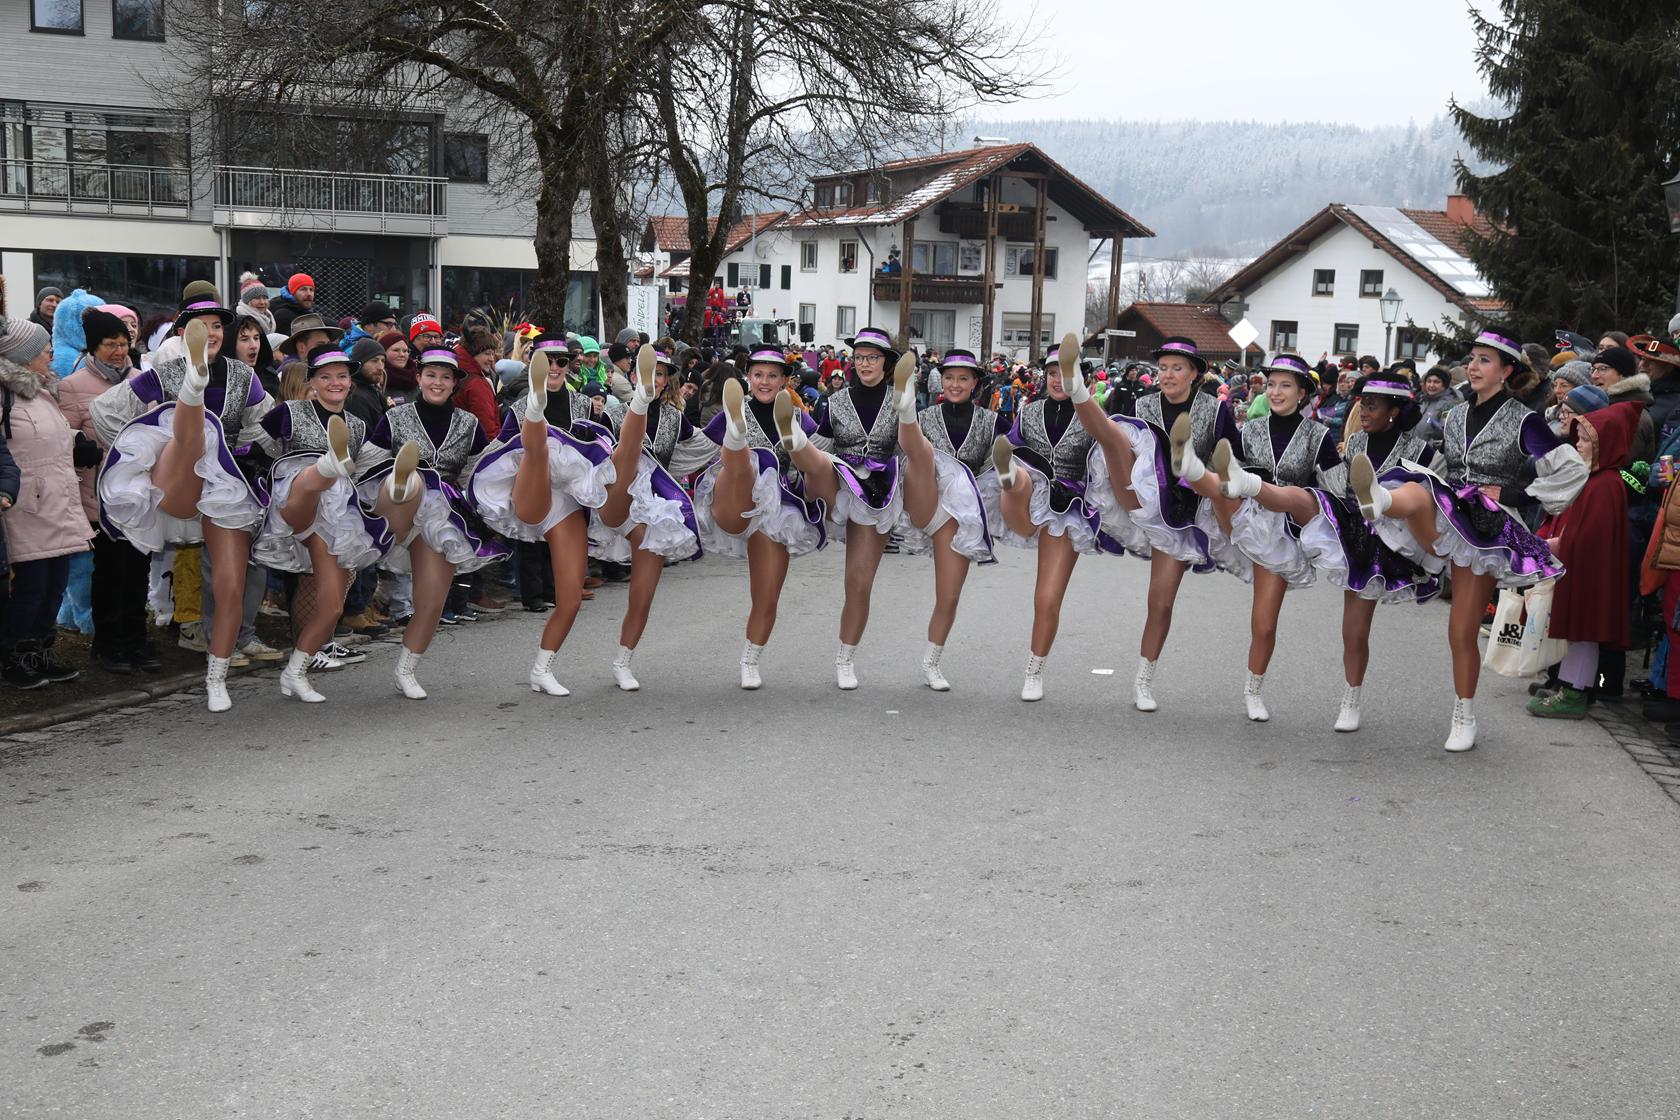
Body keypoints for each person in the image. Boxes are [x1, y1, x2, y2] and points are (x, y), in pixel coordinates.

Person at [1350, 326, 1588, 752]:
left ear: (1506, 370)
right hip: (1448, 511)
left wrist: (1514, 495)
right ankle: (1381, 499)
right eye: (1472, 359)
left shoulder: (1524, 419)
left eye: (1484, 360)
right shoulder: (1455, 415)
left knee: (1460, 631)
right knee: (1418, 488)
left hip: (1486, 530)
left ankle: (1465, 716)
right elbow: (1441, 466)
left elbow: (1570, 469)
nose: (1473, 367)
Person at [1212, 364, 1440, 730]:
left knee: (1355, 632)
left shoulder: (1413, 449)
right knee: (1264, 622)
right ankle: (1253, 691)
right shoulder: (1352, 443)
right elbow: (1340, 489)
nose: (1362, 412)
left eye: (1372, 405)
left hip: (1372, 539)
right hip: (1279, 529)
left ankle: (1351, 702)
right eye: (1271, 385)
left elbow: (1435, 494)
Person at [92, 298, 274, 711]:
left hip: (224, 490)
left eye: (217, 326)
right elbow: (104, 409)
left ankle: (216, 677)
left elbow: (266, 426)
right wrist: (140, 450)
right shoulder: (164, 372)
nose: (211, 332)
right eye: (201, 326)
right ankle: (193, 390)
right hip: (176, 477)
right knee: (189, 434)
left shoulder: (243, 376)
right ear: (182, 334)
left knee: (230, 586)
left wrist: (246, 451)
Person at [989, 336, 1141, 701]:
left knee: (1046, 597)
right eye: (1053, 373)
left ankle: (1034, 671)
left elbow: (1109, 457)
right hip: (1026, 498)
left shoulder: (1092, 416)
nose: (1059, 380)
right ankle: (1008, 474)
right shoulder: (1028, 412)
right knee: (1019, 477)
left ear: (1082, 378)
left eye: (1067, 373)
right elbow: (1014, 442)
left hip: (1067, 508)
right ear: (1045, 376)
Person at [1094, 337, 1242, 711]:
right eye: (1163, 368)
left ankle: (1189, 464)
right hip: (1149, 501)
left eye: (1177, 368)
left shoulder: (1215, 409)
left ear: (1194, 374)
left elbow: (1236, 458)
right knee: (1158, 602)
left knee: (1163, 601)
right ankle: (1142, 682)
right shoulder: (1142, 405)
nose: (1168, 374)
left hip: (1192, 509)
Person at [465, 338, 616, 697]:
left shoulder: (583, 404)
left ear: (569, 364)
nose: (555, 367)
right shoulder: (514, 408)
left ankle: (541, 670)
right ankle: (538, 411)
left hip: (566, 504)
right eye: (547, 361)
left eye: (562, 361)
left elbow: (603, 448)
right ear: (534, 364)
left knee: (571, 598)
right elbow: (498, 449)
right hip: (530, 491)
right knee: (537, 451)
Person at [772, 326, 913, 690]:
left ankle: (845, 658)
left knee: (858, 583)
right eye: (859, 357)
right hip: (834, 482)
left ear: (886, 362)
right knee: (818, 460)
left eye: (872, 357)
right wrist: (789, 473)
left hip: (877, 494)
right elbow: (822, 443)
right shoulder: (834, 402)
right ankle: (792, 438)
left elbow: (908, 452)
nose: (864, 363)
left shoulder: (899, 402)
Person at [359, 349, 504, 699]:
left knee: (432, 601)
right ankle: (401, 487)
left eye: (445, 377)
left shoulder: (468, 424)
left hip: (441, 517)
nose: (437, 383)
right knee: (409, 483)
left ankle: (406, 670)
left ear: (454, 384)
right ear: (419, 378)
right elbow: (366, 464)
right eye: (431, 375)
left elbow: (476, 474)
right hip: (394, 505)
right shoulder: (395, 418)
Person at [252, 349, 389, 702]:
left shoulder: (357, 426)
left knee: (332, 607)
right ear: (311, 382)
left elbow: (366, 470)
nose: (335, 383)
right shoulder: (289, 412)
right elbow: (255, 448)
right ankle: (328, 464)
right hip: (292, 502)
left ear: (350, 383)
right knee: (307, 480)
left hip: (330, 519)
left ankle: (295, 672)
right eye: (325, 376)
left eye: (341, 376)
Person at [693, 348, 827, 688]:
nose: (764, 382)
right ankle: (736, 436)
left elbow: (825, 450)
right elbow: (694, 449)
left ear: (784, 381)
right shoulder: (732, 411)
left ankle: (750, 660)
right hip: (734, 500)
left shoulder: (798, 417)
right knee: (739, 465)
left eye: (772, 376)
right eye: (758, 375)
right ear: (748, 378)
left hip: (776, 513)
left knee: (767, 595)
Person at [588, 343, 712, 690]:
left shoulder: (675, 419)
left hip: (653, 509)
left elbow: (704, 444)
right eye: (647, 372)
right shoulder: (612, 413)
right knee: (628, 455)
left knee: (643, 593)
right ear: (633, 376)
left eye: (658, 374)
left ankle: (623, 661)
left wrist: (737, 423)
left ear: (667, 380)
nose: (654, 379)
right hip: (615, 498)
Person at [895, 348, 1007, 689]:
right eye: (948, 378)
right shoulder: (928, 416)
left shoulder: (992, 422)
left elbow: (1005, 461)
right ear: (939, 381)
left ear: (975, 384)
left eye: (962, 378)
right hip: (923, 495)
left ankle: (931, 663)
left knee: (949, 595)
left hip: (958, 514)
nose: (955, 384)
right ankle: (904, 408)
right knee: (921, 452)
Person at [57, 308, 160, 674]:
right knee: (109, 571)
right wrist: (81, 445)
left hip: (140, 494)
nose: (119, 351)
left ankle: (135, 638)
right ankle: (108, 643)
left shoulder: (142, 380)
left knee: (138, 569)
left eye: (123, 343)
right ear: (93, 347)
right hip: (99, 495)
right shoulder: (72, 386)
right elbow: (63, 436)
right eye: (109, 344)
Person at [1528, 400, 1643, 719]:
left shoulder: (1605, 485)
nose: (1577, 444)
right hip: (1580, 567)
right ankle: (1570, 685)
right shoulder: (1595, 480)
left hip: (1589, 573)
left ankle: (1575, 691)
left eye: (1585, 440)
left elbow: (1589, 538)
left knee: (1584, 632)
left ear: (1605, 445)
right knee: (1578, 633)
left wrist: (1551, 546)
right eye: (1578, 438)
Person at [0, 318, 93, 688]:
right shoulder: (5, 395)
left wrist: (77, 439)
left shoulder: (41, 391)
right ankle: (13, 656)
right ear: (23, 357)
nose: (50, 352)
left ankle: (40, 651)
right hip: (26, 506)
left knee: (55, 584)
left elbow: (48, 436)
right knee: (31, 587)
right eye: (43, 348)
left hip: (58, 501)